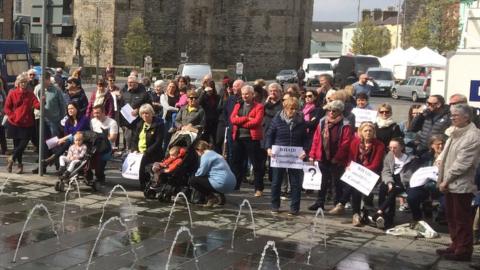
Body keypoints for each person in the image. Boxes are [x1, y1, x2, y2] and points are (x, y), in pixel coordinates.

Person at [436, 103, 480, 262]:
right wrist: (439, 161)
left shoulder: (472, 136)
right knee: (452, 216)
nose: (451, 117)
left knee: (461, 218)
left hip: (461, 184)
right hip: (449, 183)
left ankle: (463, 250)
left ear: (466, 117)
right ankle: (455, 245)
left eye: (455, 115)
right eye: (451, 115)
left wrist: (446, 180)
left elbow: (463, 163)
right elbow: (446, 153)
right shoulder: (455, 132)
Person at [330, 121, 384, 226]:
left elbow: (376, 164)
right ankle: (355, 215)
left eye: (370, 131)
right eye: (365, 131)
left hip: (371, 174)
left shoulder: (379, 145)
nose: (368, 133)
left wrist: (360, 171)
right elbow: (351, 159)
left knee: (356, 184)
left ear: (374, 132)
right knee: (355, 185)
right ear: (361, 132)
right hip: (357, 173)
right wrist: (350, 167)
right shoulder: (355, 142)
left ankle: (343, 204)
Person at [308, 100, 353, 211]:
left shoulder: (345, 124)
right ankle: (319, 202)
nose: (331, 112)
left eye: (334, 110)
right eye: (329, 110)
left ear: (340, 111)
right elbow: (316, 139)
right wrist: (312, 154)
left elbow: (345, 144)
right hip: (323, 156)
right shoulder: (323, 121)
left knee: (336, 182)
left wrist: (337, 158)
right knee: (322, 181)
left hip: (337, 158)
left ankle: (337, 204)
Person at [266, 97, 307, 215]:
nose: (293, 111)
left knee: (295, 182)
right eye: (291, 108)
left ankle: (294, 208)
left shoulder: (301, 120)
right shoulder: (277, 119)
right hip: (279, 155)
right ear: (285, 108)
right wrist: (268, 148)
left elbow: (305, 138)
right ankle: (275, 206)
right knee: (276, 181)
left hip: (296, 155)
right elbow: (269, 134)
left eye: (295, 109)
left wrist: (305, 150)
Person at [230, 85, 265, 196]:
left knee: (256, 164)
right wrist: (246, 119)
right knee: (237, 163)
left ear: (252, 94)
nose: (244, 96)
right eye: (243, 94)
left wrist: (240, 122)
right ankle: (235, 185)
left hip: (252, 139)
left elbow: (256, 122)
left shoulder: (259, 106)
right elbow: (232, 119)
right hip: (238, 137)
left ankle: (258, 188)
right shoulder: (238, 105)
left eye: (247, 94)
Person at [4, 73, 40, 174]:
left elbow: (36, 104)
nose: (23, 84)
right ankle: (19, 165)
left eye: (25, 82)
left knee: (23, 145)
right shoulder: (12, 93)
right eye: (22, 82)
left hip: (27, 123)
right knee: (16, 145)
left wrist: (41, 103)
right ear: (18, 83)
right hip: (15, 123)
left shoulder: (30, 93)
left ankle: (11, 158)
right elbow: (7, 108)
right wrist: (13, 116)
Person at [376, 137, 415, 229]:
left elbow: (408, 176)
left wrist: (393, 185)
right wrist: (389, 182)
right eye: (390, 147)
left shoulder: (409, 159)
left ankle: (382, 213)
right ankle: (383, 215)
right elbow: (385, 171)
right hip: (391, 178)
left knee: (392, 192)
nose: (392, 150)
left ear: (401, 147)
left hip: (402, 181)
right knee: (383, 188)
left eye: (395, 148)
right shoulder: (389, 156)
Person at [407, 134, 446, 223]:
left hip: (441, 186)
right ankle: (417, 219)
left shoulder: (449, 156)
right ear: (432, 145)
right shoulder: (426, 156)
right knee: (412, 197)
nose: (441, 146)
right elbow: (419, 172)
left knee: (447, 204)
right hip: (424, 186)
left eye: (443, 143)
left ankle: (441, 215)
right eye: (438, 144)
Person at [190, 140, 236, 207]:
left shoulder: (205, 156)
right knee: (212, 178)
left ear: (199, 150)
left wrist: (194, 174)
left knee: (193, 180)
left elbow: (200, 173)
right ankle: (220, 196)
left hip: (221, 184)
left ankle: (211, 198)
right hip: (232, 184)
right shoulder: (216, 154)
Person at [44, 102, 90, 167]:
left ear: (77, 109)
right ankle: (45, 164)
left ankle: (53, 158)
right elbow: (66, 134)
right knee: (49, 143)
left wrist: (62, 139)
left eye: (72, 108)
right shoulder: (68, 121)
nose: (70, 110)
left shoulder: (84, 119)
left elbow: (76, 132)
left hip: (82, 140)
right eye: (68, 109)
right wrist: (62, 140)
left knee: (67, 140)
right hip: (70, 140)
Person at [130, 103, 164, 189]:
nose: (145, 115)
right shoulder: (139, 124)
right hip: (139, 153)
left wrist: (147, 152)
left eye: (147, 113)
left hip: (153, 153)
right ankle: (143, 185)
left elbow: (158, 141)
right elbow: (134, 139)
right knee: (140, 170)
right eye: (143, 113)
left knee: (146, 169)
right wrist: (134, 149)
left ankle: (149, 185)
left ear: (152, 113)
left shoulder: (159, 124)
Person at [118, 75, 151, 150]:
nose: (129, 84)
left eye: (131, 82)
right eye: (128, 82)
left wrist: (139, 110)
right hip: (127, 124)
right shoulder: (124, 93)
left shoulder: (143, 93)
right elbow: (121, 108)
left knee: (139, 142)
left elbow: (149, 106)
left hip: (139, 123)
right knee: (128, 142)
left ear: (136, 83)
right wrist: (122, 123)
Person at [90, 105, 118, 184]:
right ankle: (87, 175)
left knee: (99, 159)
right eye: (94, 113)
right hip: (95, 145)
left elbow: (112, 138)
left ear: (103, 112)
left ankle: (100, 176)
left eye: (98, 113)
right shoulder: (92, 121)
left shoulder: (112, 122)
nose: (96, 115)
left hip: (107, 146)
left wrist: (101, 138)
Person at [160, 80, 179, 149]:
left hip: (176, 121)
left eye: (173, 87)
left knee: (172, 140)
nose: (171, 88)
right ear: (167, 87)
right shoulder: (163, 96)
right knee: (165, 139)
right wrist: (177, 109)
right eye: (170, 86)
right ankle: (162, 155)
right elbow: (167, 107)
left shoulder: (177, 96)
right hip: (166, 120)